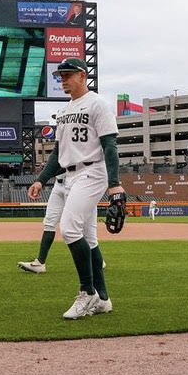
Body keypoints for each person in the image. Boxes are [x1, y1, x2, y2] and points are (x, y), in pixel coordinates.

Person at [27, 57, 122, 319]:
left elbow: (110, 146)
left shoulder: (98, 104)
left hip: (92, 170)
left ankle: (87, 292)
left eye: (68, 75)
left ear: (82, 75)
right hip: (69, 175)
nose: (63, 80)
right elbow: (59, 152)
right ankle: (103, 299)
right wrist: (41, 179)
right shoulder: (66, 110)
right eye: (61, 76)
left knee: (68, 228)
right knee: (89, 239)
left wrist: (115, 185)